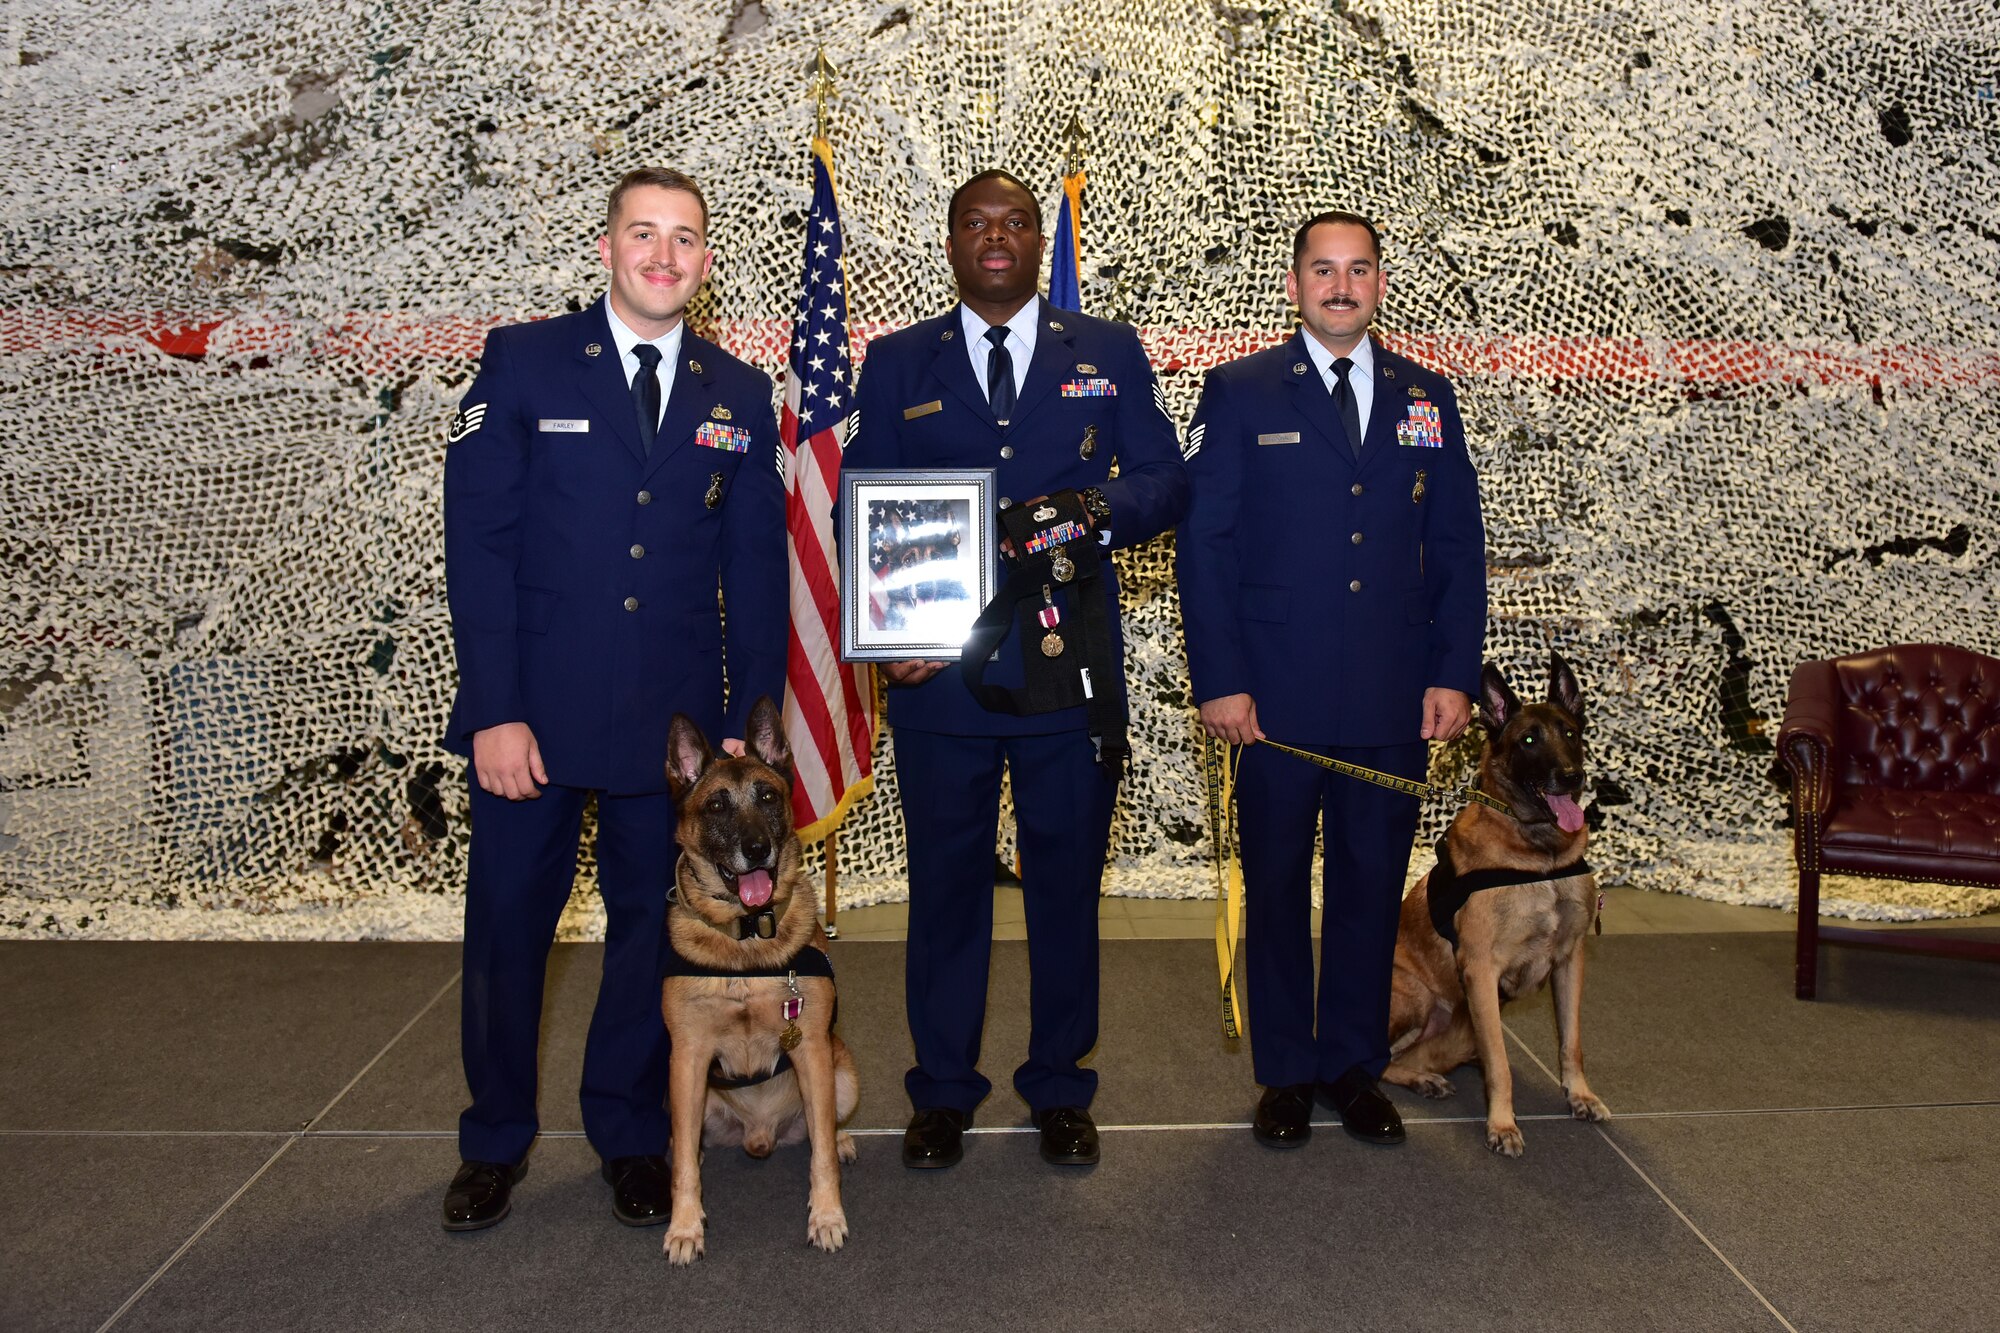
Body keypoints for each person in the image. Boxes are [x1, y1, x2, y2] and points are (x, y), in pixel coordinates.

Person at [439, 167, 788, 1228]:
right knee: (508, 931)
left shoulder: (738, 392)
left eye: (685, 239)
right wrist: (493, 708)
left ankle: (630, 1134)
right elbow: (479, 543)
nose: (663, 256)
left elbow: (753, 569)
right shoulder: (527, 362)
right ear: (606, 246)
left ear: (706, 262)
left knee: (649, 936)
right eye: (645, 234)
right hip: (531, 726)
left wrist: (750, 727)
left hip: (669, 740)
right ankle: (493, 1140)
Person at [844, 170, 1188, 1169]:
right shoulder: (898, 359)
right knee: (946, 890)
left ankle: (1057, 1085)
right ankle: (942, 1090)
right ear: (949, 242)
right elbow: (859, 500)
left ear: (1039, 239)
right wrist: (883, 629)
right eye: (973, 223)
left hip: (1064, 662)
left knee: (1063, 888)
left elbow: (1166, 480)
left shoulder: (1108, 352)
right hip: (937, 673)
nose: (994, 237)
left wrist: (1091, 509)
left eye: (1014, 221)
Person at [1175, 210, 1486, 1149]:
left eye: (1357, 271)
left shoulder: (1426, 395)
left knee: (1366, 886)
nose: (1340, 286)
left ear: (1379, 283)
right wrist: (1221, 679)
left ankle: (1352, 1065)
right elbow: (1206, 546)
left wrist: (1452, 673)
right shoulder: (1240, 392)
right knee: (1273, 887)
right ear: (1294, 284)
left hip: (1392, 696)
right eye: (1323, 270)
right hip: (1269, 702)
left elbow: (1457, 548)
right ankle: (1283, 1074)